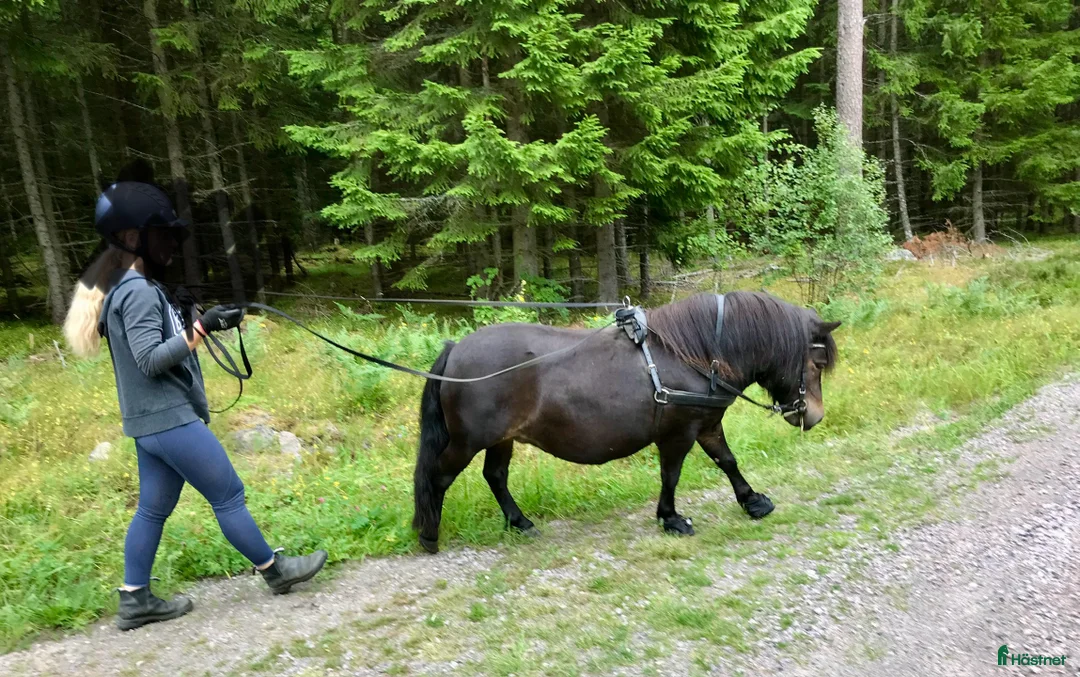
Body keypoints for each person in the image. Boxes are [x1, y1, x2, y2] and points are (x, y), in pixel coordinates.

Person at [63, 181, 327, 630]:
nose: (171, 242)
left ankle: (135, 599)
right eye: (162, 233)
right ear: (133, 237)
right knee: (228, 495)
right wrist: (202, 328)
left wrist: (197, 319)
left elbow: (152, 346)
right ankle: (275, 572)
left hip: (148, 424)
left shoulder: (124, 287)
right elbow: (149, 360)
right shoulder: (139, 290)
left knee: (151, 509)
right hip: (169, 419)